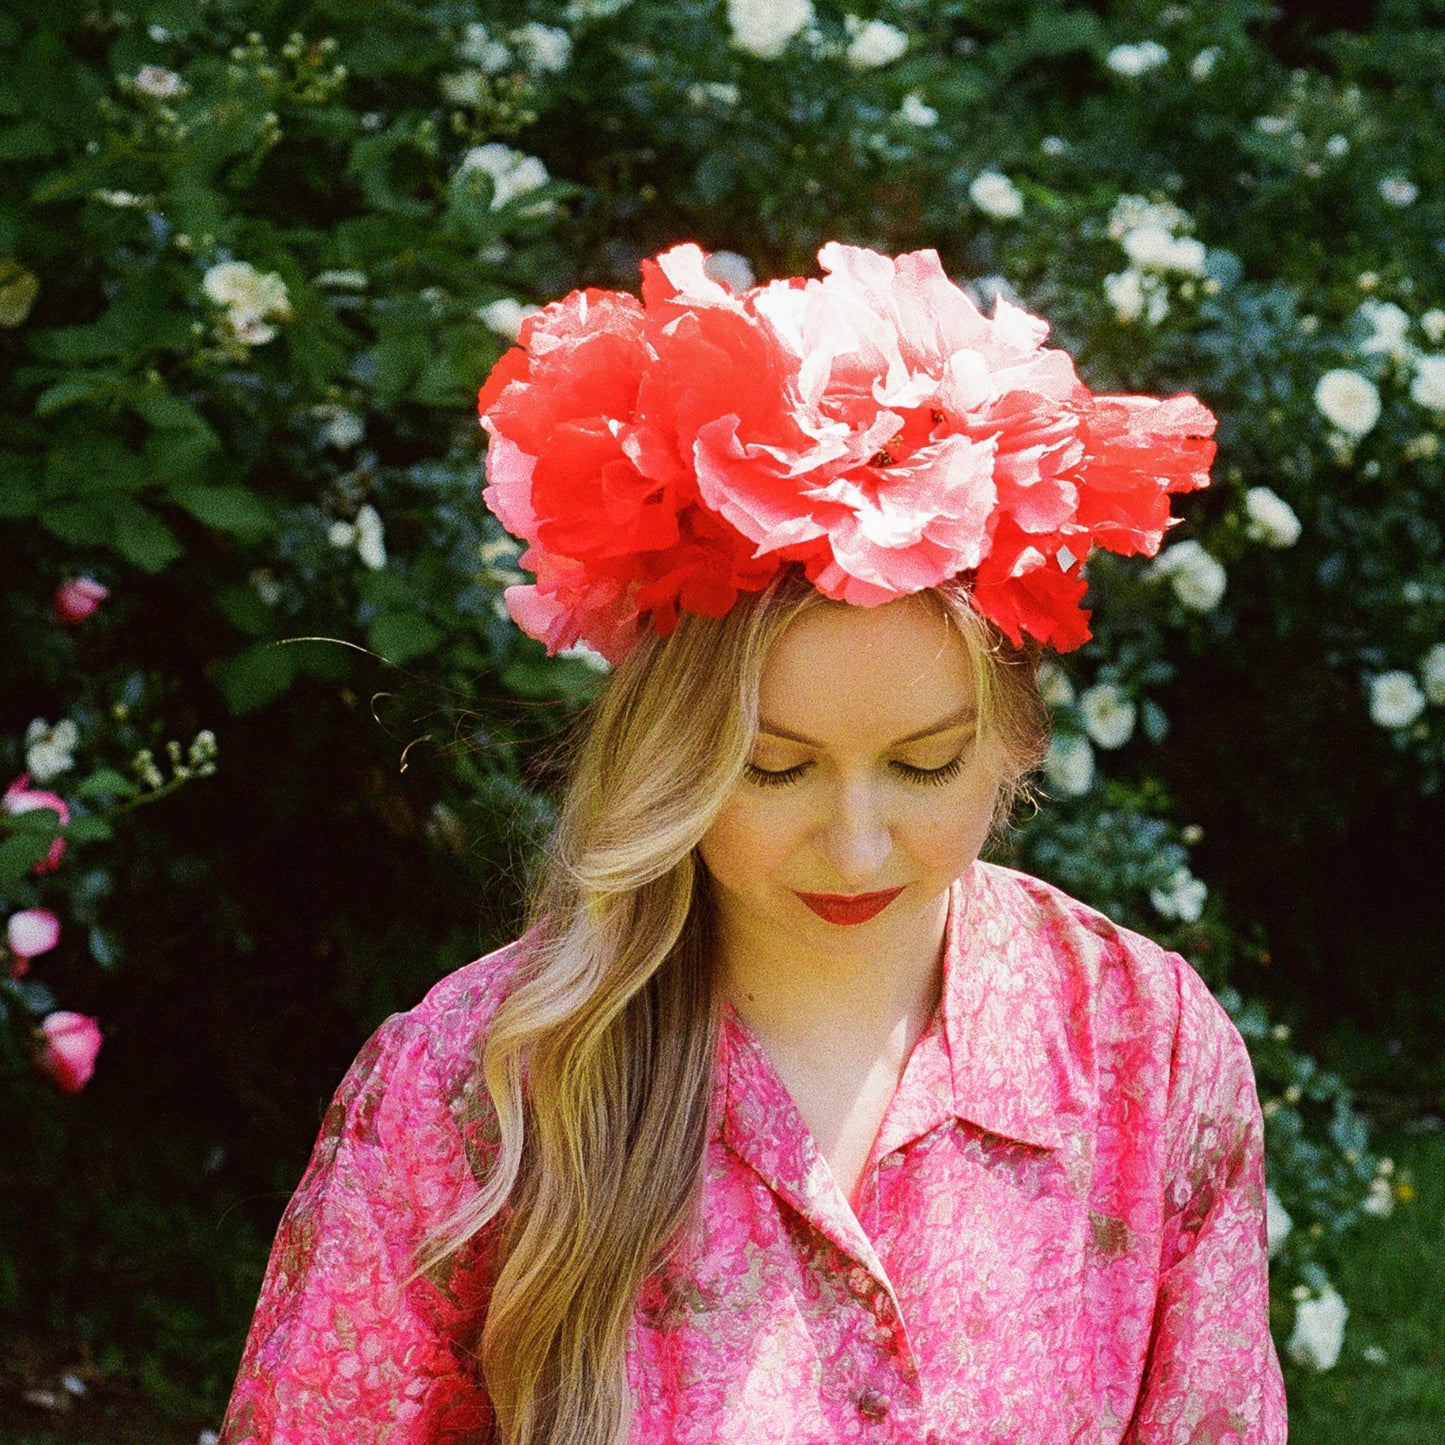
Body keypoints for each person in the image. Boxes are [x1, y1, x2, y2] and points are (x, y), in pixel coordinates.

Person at [220, 243, 1286, 1444]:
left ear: (1011, 745)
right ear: (669, 760)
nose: (857, 842)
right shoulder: (474, 1090)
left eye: (924, 762)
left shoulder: (1139, 1046)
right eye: (772, 767)